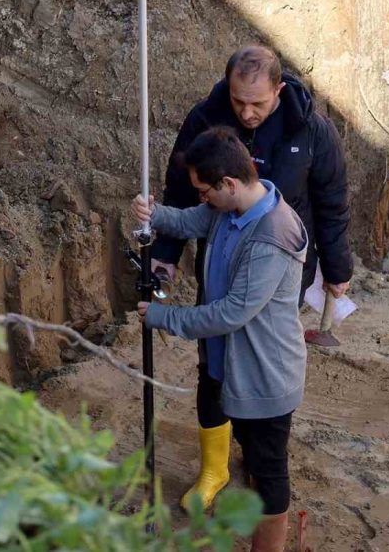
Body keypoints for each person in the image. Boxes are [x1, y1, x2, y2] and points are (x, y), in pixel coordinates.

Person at [151, 45, 353, 512]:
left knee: (263, 359)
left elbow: (332, 200)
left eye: (258, 104)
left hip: (281, 266)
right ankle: (214, 467)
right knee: (216, 362)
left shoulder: (310, 130)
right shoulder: (206, 121)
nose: (247, 113)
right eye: (239, 101)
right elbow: (182, 194)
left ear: (279, 90)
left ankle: (263, 451)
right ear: (227, 86)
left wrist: (337, 269)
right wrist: (164, 256)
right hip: (222, 259)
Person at [134, 126, 307, 552]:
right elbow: (189, 220)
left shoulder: (271, 236)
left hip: (264, 376)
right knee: (221, 418)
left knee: (268, 474)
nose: (201, 198)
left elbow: (231, 312)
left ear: (228, 183)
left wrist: (163, 316)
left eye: (204, 190)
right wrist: (152, 214)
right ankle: (223, 477)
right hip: (225, 362)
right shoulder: (229, 208)